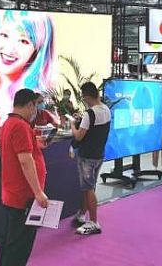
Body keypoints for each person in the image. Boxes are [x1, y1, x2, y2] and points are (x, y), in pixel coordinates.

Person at [0, 88, 48, 266]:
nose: (35, 111)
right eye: (35, 106)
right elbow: (26, 161)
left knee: (10, 241)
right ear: (29, 105)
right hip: (22, 196)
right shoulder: (20, 126)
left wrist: (35, 144)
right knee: (19, 246)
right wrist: (38, 192)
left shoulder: (9, 123)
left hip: (12, 193)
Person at [70, 82, 111, 235]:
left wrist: (73, 125)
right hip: (99, 154)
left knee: (88, 188)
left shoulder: (89, 114)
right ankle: (82, 214)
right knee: (89, 187)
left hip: (87, 157)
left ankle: (93, 222)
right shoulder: (106, 109)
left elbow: (79, 136)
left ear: (87, 97)